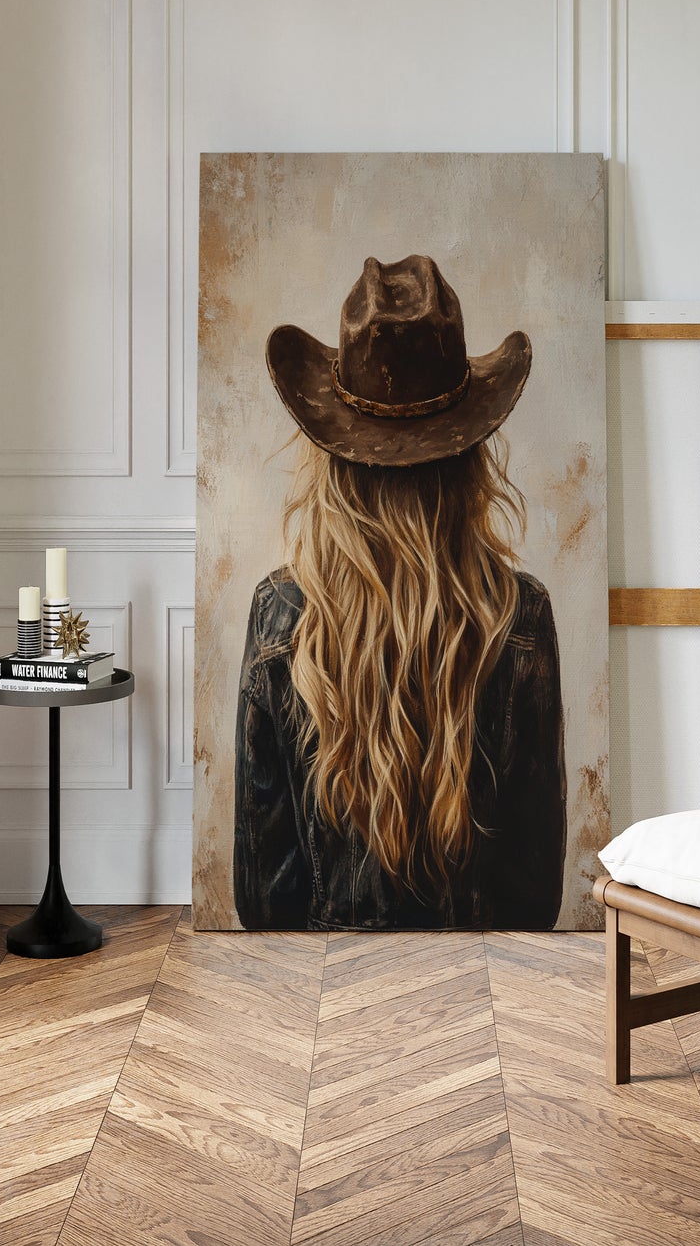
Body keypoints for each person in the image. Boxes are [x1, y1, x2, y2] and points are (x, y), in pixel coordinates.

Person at [233, 254, 565, 930]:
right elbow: (534, 896)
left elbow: (263, 903)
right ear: (468, 454)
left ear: (333, 457)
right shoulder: (519, 616)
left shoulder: (280, 615)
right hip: (486, 1002)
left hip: (320, 1007)